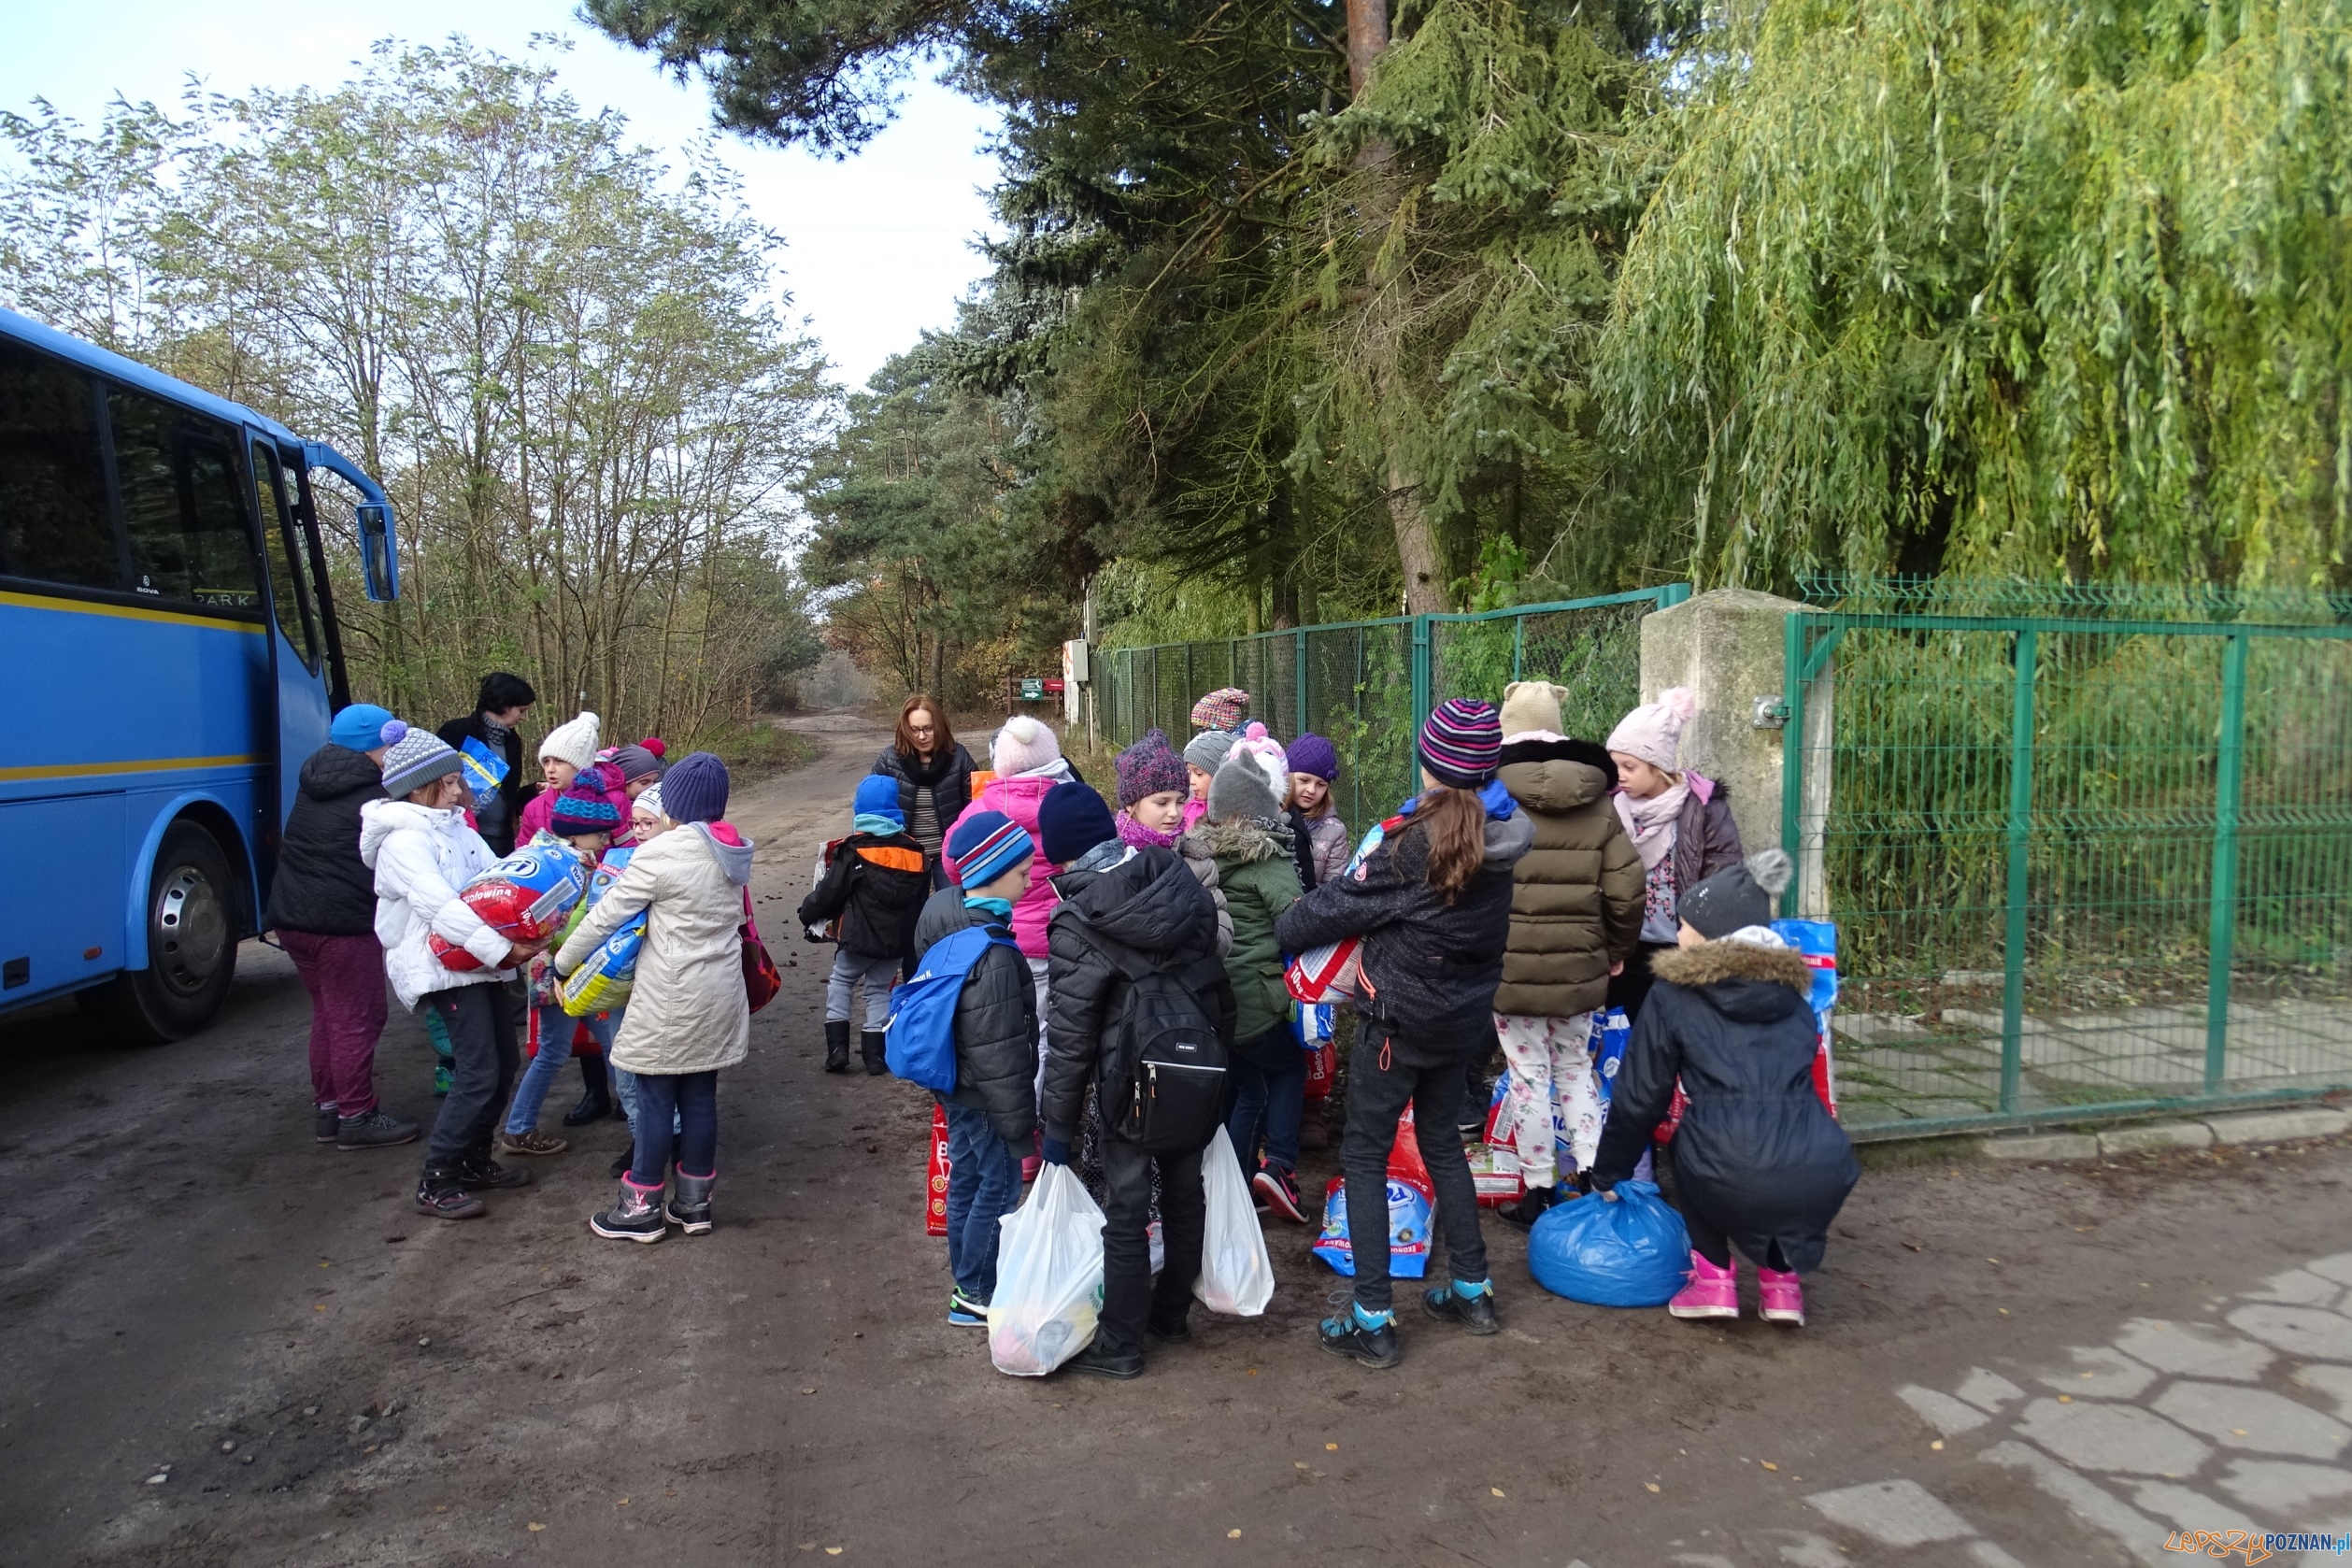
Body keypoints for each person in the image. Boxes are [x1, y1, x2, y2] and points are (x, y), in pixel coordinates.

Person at [1274, 699, 1533, 1369]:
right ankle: (1472, 1290)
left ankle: (1372, 1317)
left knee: (1362, 1155)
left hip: (1397, 1027)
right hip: (1462, 1021)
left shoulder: (1411, 843)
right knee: (1444, 1143)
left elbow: (1328, 912)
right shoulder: (1505, 835)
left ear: (1429, 764)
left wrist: (1279, 930)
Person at [1589, 851, 1856, 1327]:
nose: (1677, 935)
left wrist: (1608, 1172)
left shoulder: (1674, 995)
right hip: (1822, 1162)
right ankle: (1782, 1288)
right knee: (1769, 1158)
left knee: (1699, 1146)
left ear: (1711, 933)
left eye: (1685, 925)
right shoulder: (1793, 993)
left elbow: (1640, 1097)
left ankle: (1712, 1280)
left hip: (1726, 1159)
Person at [1038, 780, 1224, 1377]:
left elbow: (1070, 1039)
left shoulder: (1074, 921)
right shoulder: (1177, 881)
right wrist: (1220, 1075)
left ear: (1061, 854)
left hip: (1128, 1081)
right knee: (1184, 1188)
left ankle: (1120, 1342)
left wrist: (1058, 1128)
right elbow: (1215, 983)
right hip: (1194, 1062)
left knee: (1126, 1204)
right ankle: (1170, 1313)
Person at [562, 752, 755, 1242]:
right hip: (719, 993)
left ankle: (640, 1207)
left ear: (674, 805)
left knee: (652, 1097)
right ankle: (693, 1205)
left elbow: (606, 916)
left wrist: (563, 962)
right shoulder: (732, 852)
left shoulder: (662, 854)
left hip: (671, 996)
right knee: (700, 1097)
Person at [360, 724, 540, 1220]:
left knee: (503, 1063)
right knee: (478, 1072)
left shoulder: (456, 828)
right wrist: (504, 951)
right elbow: (443, 908)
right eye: (452, 783)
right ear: (424, 786)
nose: (461, 791)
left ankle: (476, 1158)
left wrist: (547, 868)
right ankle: (436, 1179)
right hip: (439, 966)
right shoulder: (402, 843)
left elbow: (496, 878)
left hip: (475, 960)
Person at [1489, 680, 1644, 1228]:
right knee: (1577, 1069)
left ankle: (1537, 1192)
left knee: (1527, 1076)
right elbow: (1627, 887)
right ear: (1558, 728)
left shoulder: (1490, 791)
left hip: (1507, 967)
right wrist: (1617, 950)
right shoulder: (1598, 798)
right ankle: (1595, 1181)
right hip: (1582, 965)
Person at [913, 811, 1041, 1326]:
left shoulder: (944, 915)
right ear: (991, 873)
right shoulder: (993, 954)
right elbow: (1000, 1048)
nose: (1031, 881)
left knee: (966, 1175)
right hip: (986, 1092)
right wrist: (1019, 1123)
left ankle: (965, 1281)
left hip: (953, 1082)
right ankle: (977, 1290)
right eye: (1022, 873)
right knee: (1001, 1184)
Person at [269, 703, 415, 1151]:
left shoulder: (315, 781)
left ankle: (330, 1109)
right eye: (390, 744)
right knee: (358, 1017)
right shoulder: (374, 796)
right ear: (376, 746)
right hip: (342, 924)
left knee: (328, 1015)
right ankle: (357, 1116)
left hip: (295, 918)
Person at [1184, 734, 1308, 1222]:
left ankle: (1230, 1183)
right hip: (1257, 995)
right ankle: (1279, 1164)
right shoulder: (1269, 860)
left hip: (1216, 996)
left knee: (1250, 1087)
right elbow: (1297, 921)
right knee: (1289, 1068)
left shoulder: (1204, 854)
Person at [496, 780, 629, 1158]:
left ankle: (519, 1126)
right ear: (577, 831)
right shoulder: (567, 865)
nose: (606, 840)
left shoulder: (541, 854)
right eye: (601, 833)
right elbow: (565, 924)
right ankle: (648, 1126)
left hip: (551, 969)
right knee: (611, 1044)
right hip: (563, 970)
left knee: (563, 1048)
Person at [1605, 688, 1744, 1023]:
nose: (1619, 774)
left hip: (1680, 943)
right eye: (1615, 765)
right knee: (1626, 1031)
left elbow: (1724, 872)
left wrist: (1703, 935)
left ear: (1658, 767)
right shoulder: (1611, 807)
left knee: (1677, 1029)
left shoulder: (1702, 808)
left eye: (1630, 766)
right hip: (1629, 945)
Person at [943, 714, 1076, 1028]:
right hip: (1064, 934)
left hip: (1000, 933)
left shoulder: (978, 810)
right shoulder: (1070, 807)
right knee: (1058, 1026)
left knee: (1014, 1023)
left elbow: (953, 866)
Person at [798, 774, 929, 1075]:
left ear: (860, 811)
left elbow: (829, 894)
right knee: (879, 990)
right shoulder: (915, 852)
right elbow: (919, 901)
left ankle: (837, 1050)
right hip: (896, 941)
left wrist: (807, 912)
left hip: (858, 939)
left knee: (842, 981)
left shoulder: (853, 850)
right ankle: (875, 1056)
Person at [872, 695, 977, 891]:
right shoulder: (888, 760)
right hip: (904, 854)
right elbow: (872, 812)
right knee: (906, 917)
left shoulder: (959, 757)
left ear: (939, 726)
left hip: (948, 854)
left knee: (951, 912)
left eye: (928, 728)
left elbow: (977, 807)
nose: (921, 736)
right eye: (914, 730)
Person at [437, 672, 537, 856]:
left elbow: (507, 793)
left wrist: (532, 791)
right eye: (521, 710)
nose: (523, 717)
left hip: (501, 838)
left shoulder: (512, 741)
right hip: (463, 834)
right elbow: (436, 783)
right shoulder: (456, 732)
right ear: (505, 705)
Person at [515, 712, 604, 845]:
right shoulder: (534, 808)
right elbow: (523, 853)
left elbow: (626, 850)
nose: (550, 769)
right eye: (546, 761)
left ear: (580, 765)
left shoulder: (611, 803)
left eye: (559, 761)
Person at [1286, 733, 1350, 889]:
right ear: (1288, 776)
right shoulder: (1271, 816)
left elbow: (1335, 887)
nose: (1311, 790)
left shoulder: (1334, 830)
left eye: (1320, 784)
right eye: (1304, 780)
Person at [1180, 728, 1239, 834]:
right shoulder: (1188, 807)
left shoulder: (1230, 815)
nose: (1191, 781)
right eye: (1189, 773)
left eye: (1199, 774)